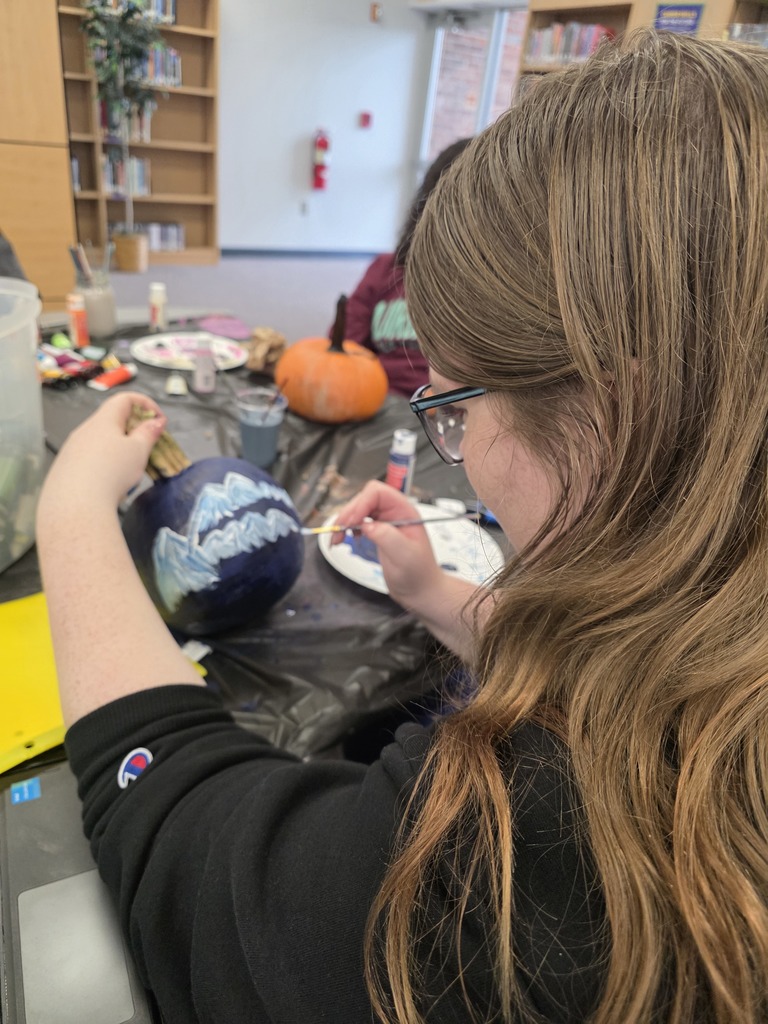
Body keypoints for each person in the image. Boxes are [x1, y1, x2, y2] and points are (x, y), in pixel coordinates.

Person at [35, 29, 768, 1023]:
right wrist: (443, 599)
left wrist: (73, 504)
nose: (453, 446)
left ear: (615, 415)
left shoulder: (550, 853)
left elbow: (200, 863)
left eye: (455, 406)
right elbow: (623, 664)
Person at [341, 137, 472, 398]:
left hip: (441, 410)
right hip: (372, 396)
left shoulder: (488, 291)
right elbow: (344, 347)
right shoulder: (385, 269)